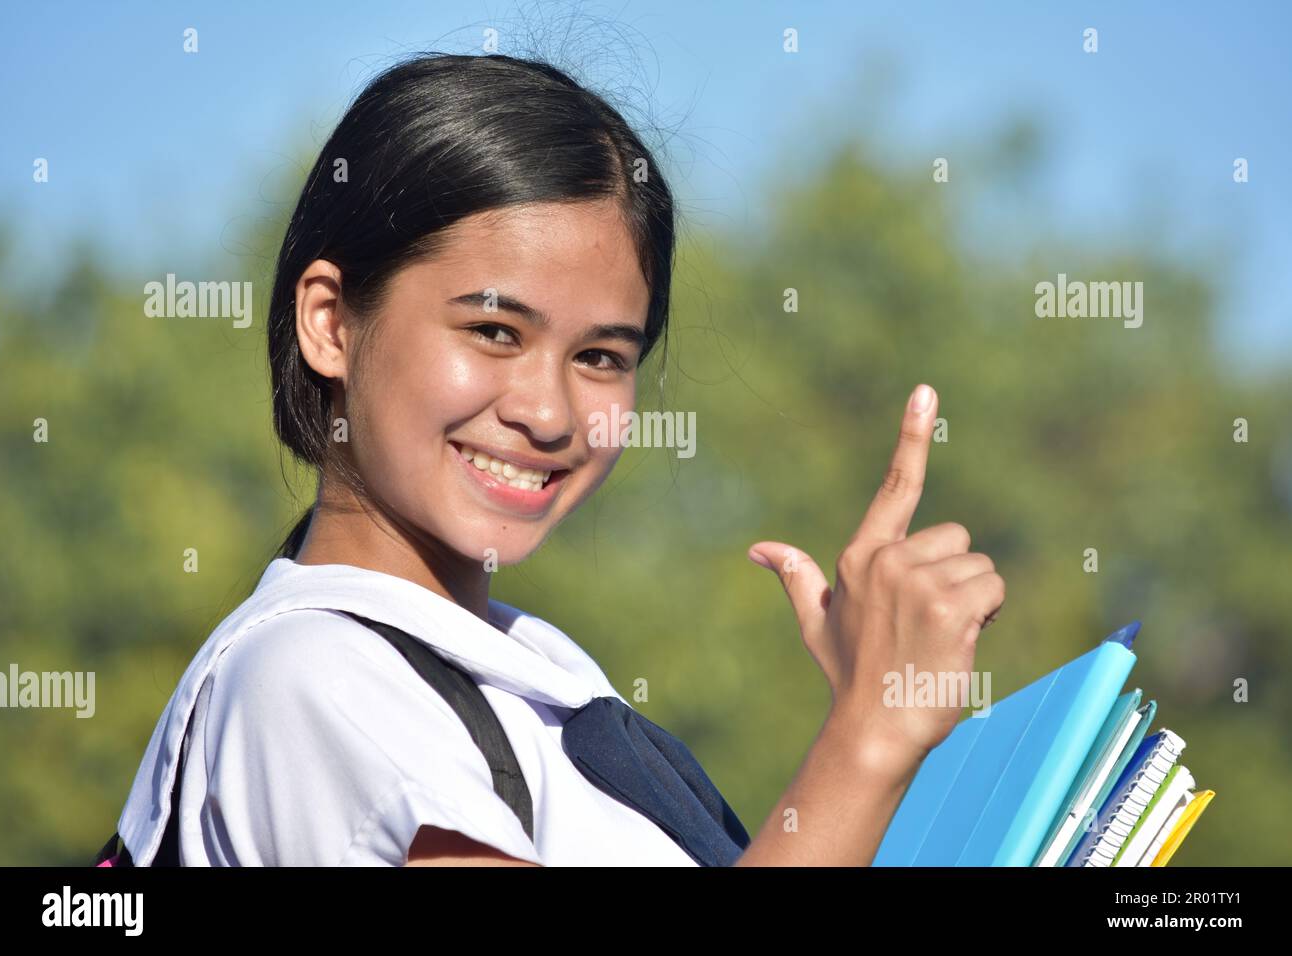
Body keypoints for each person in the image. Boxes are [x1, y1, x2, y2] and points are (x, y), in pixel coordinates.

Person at [113, 51, 1004, 867]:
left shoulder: (538, 670)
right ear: (330, 322)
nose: (548, 413)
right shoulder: (312, 678)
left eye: (601, 358)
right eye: (494, 330)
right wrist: (870, 736)